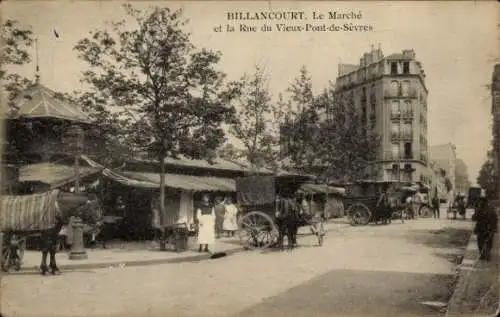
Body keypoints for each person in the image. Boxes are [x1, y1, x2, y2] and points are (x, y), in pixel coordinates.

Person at [472, 194, 498, 261]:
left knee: (480, 242)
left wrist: (474, 215)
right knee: (489, 242)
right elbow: (495, 218)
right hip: (490, 228)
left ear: (482, 202)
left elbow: (474, 218)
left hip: (481, 229)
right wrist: (494, 228)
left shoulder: (479, 209)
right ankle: (487, 255)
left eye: (480, 202)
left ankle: (483, 255)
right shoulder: (492, 208)